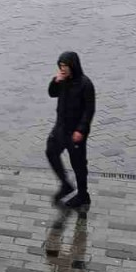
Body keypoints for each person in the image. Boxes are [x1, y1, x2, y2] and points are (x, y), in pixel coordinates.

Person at [46, 51, 95, 210]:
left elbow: (89, 110)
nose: (63, 69)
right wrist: (56, 81)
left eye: (65, 66)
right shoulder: (62, 81)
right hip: (61, 127)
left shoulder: (85, 84)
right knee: (51, 151)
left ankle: (83, 195)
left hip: (76, 132)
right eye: (61, 66)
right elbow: (52, 93)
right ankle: (65, 184)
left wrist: (81, 130)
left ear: (73, 66)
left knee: (78, 164)